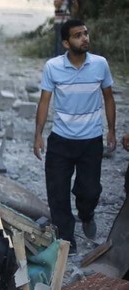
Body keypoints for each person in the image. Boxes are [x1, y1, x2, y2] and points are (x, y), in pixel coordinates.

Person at [33, 19, 116, 253]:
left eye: (86, 33)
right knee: (57, 193)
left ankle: (87, 214)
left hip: (90, 141)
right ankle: (67, 241)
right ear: (66, 43)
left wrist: (111, 129)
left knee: (90, 191)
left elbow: (108, 97)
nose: (85, 38)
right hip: (60, 140)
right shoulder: (53, 67)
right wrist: (38, 135)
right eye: (78, 35)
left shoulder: (100, 64)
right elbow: (44, 101)